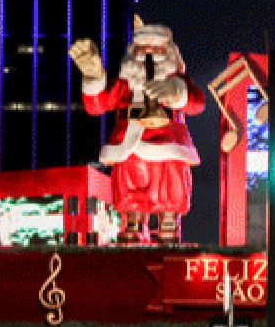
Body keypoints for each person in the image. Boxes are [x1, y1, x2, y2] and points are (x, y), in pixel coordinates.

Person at [68, 16, 205, 244]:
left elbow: (197, 103)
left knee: (169, 183)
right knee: (128, 183)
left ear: (170, 53)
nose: (148, 53)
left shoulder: (177, 80)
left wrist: (173, 91)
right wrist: (93, 75)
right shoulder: (124, 86)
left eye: (156, 48)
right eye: (142, 48)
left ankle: (168, 222)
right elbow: (96, 105)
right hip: (129, 141)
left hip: (168, 143)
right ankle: (132, 222)